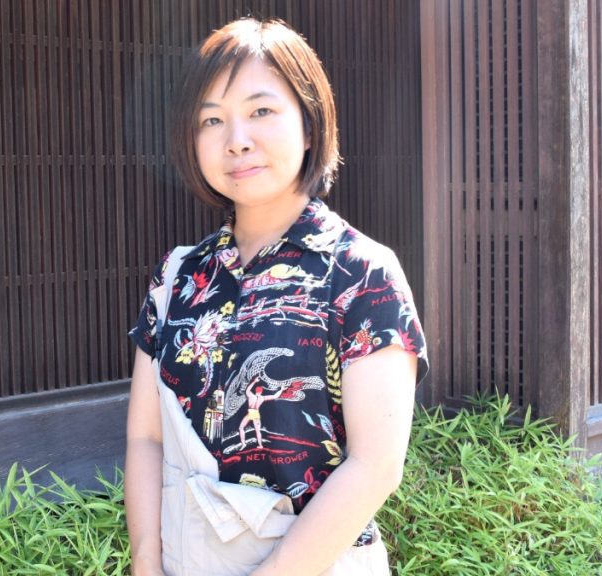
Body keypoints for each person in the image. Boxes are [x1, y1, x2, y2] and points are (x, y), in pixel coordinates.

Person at [125, 18, 429, 576]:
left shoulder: (362, 273)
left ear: (310, 125)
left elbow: (376, 466)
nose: (236, 139)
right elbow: (146, 437)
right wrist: (145, 561)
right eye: (211, 120)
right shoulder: (178, 275)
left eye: (261, 110)